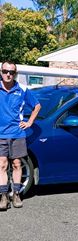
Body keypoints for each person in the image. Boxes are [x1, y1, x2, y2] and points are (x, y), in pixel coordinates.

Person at [0, 61, 41, 210]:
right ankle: (3, 196)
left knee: (17, 164)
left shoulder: (22, 89)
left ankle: (16, 194)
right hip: (0, 134)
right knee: (2, 165)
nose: (8, 74)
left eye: (11, 72)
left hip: (17, 133)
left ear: (15, 74)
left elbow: (37, 106)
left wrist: (29, 122)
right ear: (1, 72)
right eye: (5, 71)